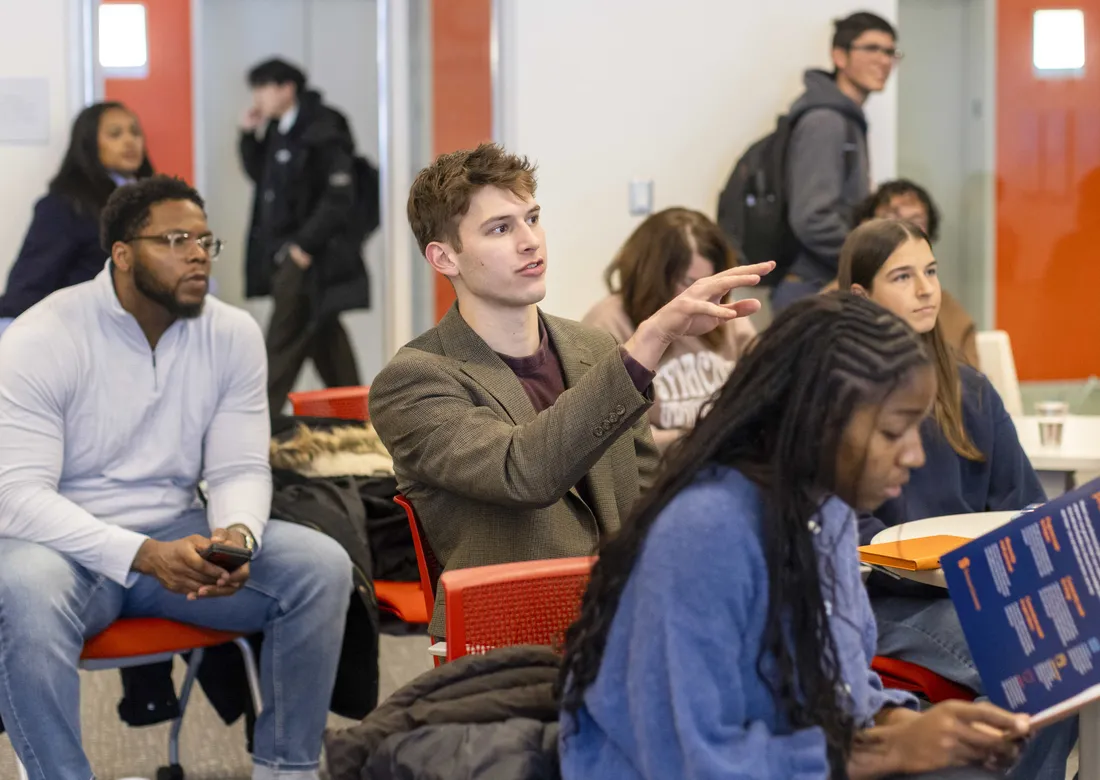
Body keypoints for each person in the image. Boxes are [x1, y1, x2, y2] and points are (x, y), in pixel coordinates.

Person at [558, 292, 1047, 780]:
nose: (915, 455)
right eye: (892, 432)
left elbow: (844, 691)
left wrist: (903, 726)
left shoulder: (826, 510)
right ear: (818, 422)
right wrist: (887, 752)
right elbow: (690, 760)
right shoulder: (706, 531)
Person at [0, 176, 352, 780]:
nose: (197, 255)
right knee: (22, 590)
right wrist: (140, 554)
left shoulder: (232, 333)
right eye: (175, 240)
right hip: (65, 548)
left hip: (178, 536)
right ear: (122, 254)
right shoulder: (44, 335)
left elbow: (239, 467)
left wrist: (237, 536)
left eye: (205, 242)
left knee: (321, 566)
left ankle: (286, 769)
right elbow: (15, 498)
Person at [368, 143, 772, 635]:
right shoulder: (413, 380)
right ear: (444, 257)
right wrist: (649, 341)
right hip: (511, 642)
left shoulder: (592, 347)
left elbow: (644, 494)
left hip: (624, 620)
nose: (530, 242)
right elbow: (525, 473)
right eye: (500, 228)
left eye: (532, 219)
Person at [838, 219, 1077, 779]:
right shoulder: (842, 396)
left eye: (931, 271)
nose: (926, 289)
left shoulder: (971, 390)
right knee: (1044, 670)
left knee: (1070, 660)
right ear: (862, 297)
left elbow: (1026, 506)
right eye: (903, 276)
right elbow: (846, 529)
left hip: (980, 594)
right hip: (890, 604)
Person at [239, 57, 369, 415]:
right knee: (327, 342)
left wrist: (302, 248)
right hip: (289, 257)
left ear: (287, 88)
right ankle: (357, 420)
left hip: (311, 260)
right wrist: (248, 136)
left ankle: (255, 422)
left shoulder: (324, 126)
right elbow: (262, 177)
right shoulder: (279, 129)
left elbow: (339, 195)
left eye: (263, 88)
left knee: (280, 344)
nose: (257, 97)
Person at [583, 208, 756, 451]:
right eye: (689, 283)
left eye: (711, 282)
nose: (705, 296)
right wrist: (697, 439)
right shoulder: (607, 322)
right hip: (662, 466)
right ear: (653, 278)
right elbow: (612, 438)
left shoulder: (724, 312)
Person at [771, 11, 900, 312]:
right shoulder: (826, 121)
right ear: (839, 56)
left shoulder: (846, 118)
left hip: (823, 283)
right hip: (813, 286)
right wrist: (870, 260)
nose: (884, 61)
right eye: (872, 48)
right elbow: (812, 218)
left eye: (890, 52)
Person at [0, 102, 154, 337]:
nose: (129, 141)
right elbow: (30, 282)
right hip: (81, 335)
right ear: (89, 144)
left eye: (135, 132)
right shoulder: (65, 205)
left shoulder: (155, 202)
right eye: (115, 134)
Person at [824, 180, 979, 366]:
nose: (904, 231)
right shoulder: (827, 308)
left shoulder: (953, 316)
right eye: (902, 277)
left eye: (930, 271)